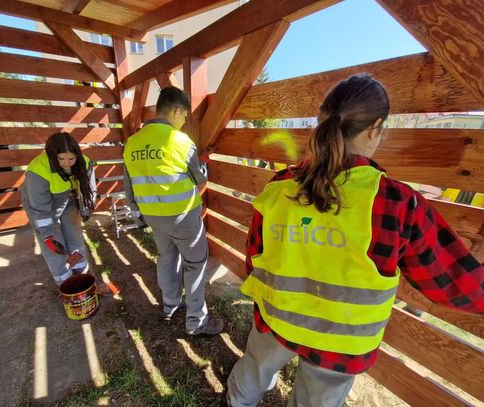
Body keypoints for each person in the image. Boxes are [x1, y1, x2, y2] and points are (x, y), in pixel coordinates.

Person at [226, 74, 484, 407]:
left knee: (254, 368)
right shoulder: (397, 202)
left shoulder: (279, 185)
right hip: (339, 344)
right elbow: (451, 281)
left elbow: (255, 255)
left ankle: (235, 403)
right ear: (375, 128)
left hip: (277, 318)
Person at [123, 86, 223, 336]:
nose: (184, 121)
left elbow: (129, 186)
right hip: (183, 218)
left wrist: (138, 215)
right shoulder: (181, 142)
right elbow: (200, 180)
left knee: (167, 258)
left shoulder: (132, 143)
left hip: (154, 218)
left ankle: (170, 305)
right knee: (195, 264)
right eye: (185, 116)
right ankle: (196, 321)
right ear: (176, 111)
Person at [22, 132, 96, 285]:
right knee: (55, 246)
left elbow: (90, 189)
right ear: (52, 155)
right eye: (61, 159)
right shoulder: (38, 171)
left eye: (71, 158)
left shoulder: (85, 163)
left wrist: (87, 208)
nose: (67, 163)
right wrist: (47, 235)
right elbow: (40, 209)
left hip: (68, 197)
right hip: (42, 206)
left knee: (75, 236)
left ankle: (82, 275)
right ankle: (65, 282)